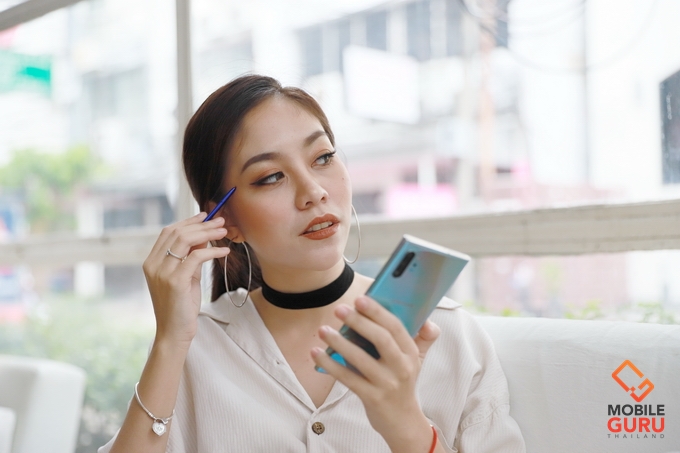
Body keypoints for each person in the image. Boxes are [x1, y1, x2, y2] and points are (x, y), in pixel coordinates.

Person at [99, 74, 525, 453]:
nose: (313, 191)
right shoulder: (192, 348)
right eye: (271, 177)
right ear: (224, 219)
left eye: (322, 158)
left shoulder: (447, 334)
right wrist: (170, 341)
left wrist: (406, 426)